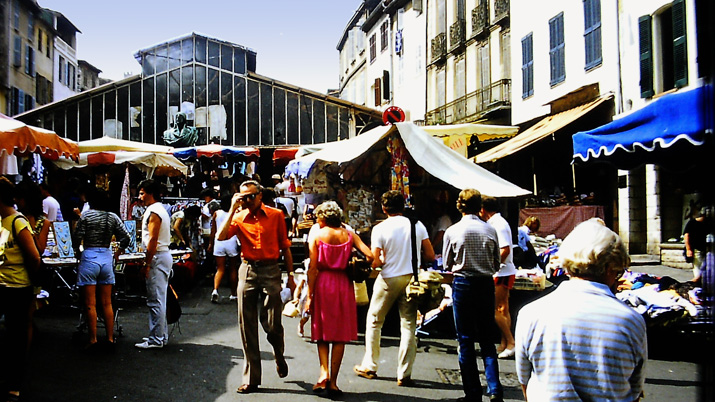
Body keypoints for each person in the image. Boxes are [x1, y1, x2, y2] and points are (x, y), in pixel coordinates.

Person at [515, 219, 647, 401]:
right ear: (610, 268)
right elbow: (635, 388)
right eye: (618, 272)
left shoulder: (530, 313)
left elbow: (525, 380)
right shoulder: (630, 320)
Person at [217, 180, 295, 394]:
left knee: (273, 324)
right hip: (248, 270)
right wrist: (233, 208)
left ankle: (278, 353)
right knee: (246, 324)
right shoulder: (238, 217)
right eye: (244, 197)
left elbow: (285, 247)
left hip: (271, 270)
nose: (248, 201)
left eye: (251, 196)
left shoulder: (276, 215)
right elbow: (221, 237)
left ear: (260, 195)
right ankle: (251, 377)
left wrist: (291, 277)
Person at [353, 190, 435, 386]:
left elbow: (375, 261)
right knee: (408, 325)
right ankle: (404, 373)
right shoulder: (417, 225)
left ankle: (370, 366)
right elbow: (431, 255)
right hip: (412, 278)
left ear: (383, 208)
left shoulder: (380, 228)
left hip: (389, 278)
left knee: (374, 320)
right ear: (403, 206)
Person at [306, 201, 373, 396]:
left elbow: (312, 267)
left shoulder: (317, 235)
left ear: (323, 218)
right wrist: (352, 260)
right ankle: (333, 382)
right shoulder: (349, 235)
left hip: (323, 282)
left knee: (321, 330)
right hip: (343, 283)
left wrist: (309, 296)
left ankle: (323, 374)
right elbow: (370, 256)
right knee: (339, 334)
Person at [442, 189, 503, 402]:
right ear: (480, 207)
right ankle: (494, 389)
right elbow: (497, 262)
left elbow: (447, 264)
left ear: (460, 206)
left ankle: (473, 392)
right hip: (485, 283)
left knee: (465, 339)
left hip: (464, 284)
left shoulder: (452, 231)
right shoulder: (490, 230)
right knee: (487, 339)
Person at [0, 177, 42, 402]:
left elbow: (34, 256)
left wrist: (32, 279)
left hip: (18, 287)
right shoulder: (1, 221)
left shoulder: (18, 222)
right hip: (3, 285)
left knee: (15, 336)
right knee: (9, 335)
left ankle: (14, 386)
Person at [73, 189, 131, 351]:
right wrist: (118, 252)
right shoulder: (112, 217)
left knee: (90, 303)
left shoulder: (86, 216)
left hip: (89, 256)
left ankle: (93, 339)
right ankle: (110, 338)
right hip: (107, 257)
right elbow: (126, 237)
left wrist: (78, 251)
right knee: (107, 302)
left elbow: (77, 237)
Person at [135, 179, 173, 349]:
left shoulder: (154, 212)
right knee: (159, 299)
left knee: (155, 299)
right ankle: (159, 336)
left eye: (142, 193)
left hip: (157, 256)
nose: (139, 197)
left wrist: (147, 263)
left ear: (150, 193)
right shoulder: (159, 210)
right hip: (161, 255)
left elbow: (153, 239)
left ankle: (156, 339)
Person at [480, 196, 517, 359]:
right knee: (503, 308)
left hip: (501, 271)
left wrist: (492, 266)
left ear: (483, 209)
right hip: (504, 270)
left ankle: (511, 342)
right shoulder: (497, 223)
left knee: (496, 309)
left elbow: (505, 249)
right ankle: (504, 343)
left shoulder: (498, 224)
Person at [209, 196, 240, 303]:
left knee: (220, 268)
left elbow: (213, 231)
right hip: (232, 242)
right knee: (232, 268)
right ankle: (233, 294)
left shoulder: (216, 213)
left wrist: (210, 243)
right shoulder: (235, 213)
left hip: (219, 242)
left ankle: (215, 290)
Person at [684, 207, 708, 281]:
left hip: (705, 249)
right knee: (697, 268)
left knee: (704, 269)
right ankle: (697, 284)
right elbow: (686, 236)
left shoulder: (707, 223)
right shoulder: (692, 223)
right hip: (696, 249)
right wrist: (688, 249)